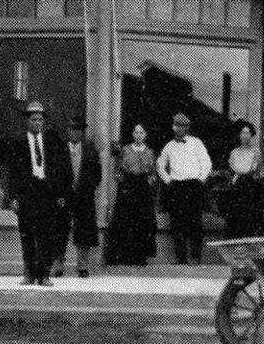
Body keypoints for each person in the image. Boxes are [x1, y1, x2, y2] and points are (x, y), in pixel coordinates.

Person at [6, 101, 71, 286]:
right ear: (27, 121)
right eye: (34, 120)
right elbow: (13, 172)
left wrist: (60, 194)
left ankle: (44, 274)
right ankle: (29, 272)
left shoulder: (51, 143)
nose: (37, 123)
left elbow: (60, 170)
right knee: (27, 233)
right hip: (27, 192)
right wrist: (14, 197)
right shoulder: (18, 143)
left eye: (40, 120)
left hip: (46, 192)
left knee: (47, 234)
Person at [156, 113, 212, 264]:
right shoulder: (169, 146)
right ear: (173, 127)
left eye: (183, 126)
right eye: (177, 126)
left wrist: (200, 179)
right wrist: (168, 180)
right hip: (176, 187)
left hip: (193, 186)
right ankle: (181, 258)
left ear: (187, 128)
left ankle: (195, 257)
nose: (180, 129)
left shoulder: (196, 143)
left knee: (195, 222)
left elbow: (206, 163)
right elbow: (160, 164)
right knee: (177, 223)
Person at [54, 117, 102, 278]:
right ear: (67, 131)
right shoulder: (60, 150)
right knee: (60, 229)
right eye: (72, 129)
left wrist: (88, 189)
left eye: (78, 130)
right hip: (64, 197)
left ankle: (82, 265)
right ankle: (58, 264)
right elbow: (55, 175)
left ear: (82, 133)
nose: (75, 133)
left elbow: (97, 174)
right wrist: (59, 193)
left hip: (84, 196)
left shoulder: (90, 150)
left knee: (84, 230)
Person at [107, 123, 157, 265]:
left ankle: (139, 256)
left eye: (141, 132)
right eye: (136, 132)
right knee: (125, 221)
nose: (138, 135)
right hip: (128, 188)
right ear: (132, 134)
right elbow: (116, 171)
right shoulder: (125, 150)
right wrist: (124, 182)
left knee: (141, 223)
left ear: (145, 135)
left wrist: (148, 182)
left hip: (143, 189)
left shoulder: (149, 152)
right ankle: (123, 256)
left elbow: (153, 173)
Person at [220, 120, 263, 237]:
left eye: (248, 133)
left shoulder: (256, 151)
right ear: (238, 135)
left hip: (250, 186)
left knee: (248, 218)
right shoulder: (234, 152)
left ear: (252, 135)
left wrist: (239, 172)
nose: (245, 136)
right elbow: (232, 169)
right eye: (242, 133)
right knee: (234, 217)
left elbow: (253, 170)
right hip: (236, 186)